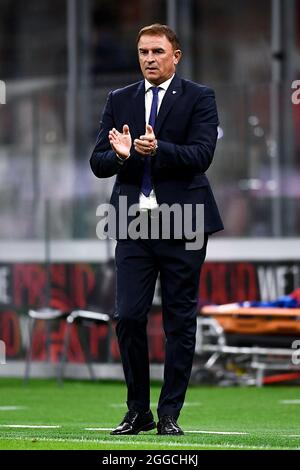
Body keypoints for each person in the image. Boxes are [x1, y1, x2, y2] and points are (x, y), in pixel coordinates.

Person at [90, 23, 223, 435]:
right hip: (132, 224)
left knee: (179, 322)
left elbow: (202, 155)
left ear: (175, 56)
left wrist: (158, 148)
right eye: (143, 51)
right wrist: (121, 155)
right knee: (128, 316)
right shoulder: (119, 98)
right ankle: (138, 411)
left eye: (157, 51)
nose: (149, 58)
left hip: (183, 224)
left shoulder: (200, 97)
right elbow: (98, 163)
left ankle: (169, 415)